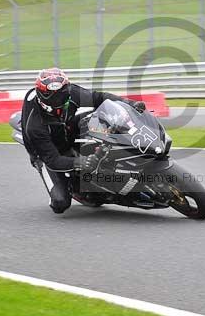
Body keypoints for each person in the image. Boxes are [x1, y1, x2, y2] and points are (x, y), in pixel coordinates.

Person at [21, 67, 147, 213]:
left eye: (64, 91)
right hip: (46, 153)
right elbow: (53, 160)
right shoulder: (35, 126)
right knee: (60, 203)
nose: (64, 97)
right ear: (46, 96)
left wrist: (129, 104)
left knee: (104, 116)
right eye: (58, 95)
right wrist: (78, 162)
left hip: (67, 127)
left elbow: (99, 97)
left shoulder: (70, 93)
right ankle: (75, 188)